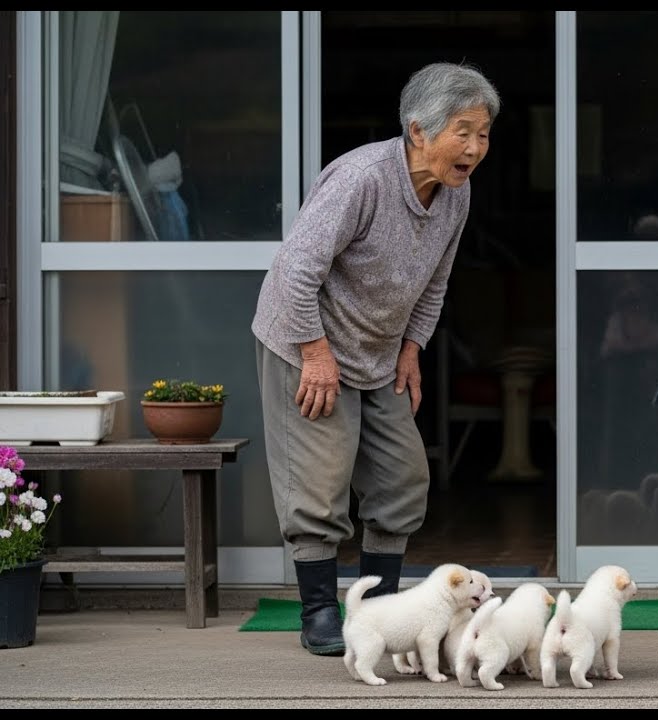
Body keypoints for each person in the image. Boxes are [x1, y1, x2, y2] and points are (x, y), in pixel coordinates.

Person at [251, 62, 499, 656]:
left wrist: (411, 349)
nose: (475, 147)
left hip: (380, 352)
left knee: (403, 476)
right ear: (419, 132)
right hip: (305, 341)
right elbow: (296, 270)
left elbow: (434, 282)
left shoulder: (453, 197)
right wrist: (315, 352)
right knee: (320, 484)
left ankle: (381, 610)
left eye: (484, 133)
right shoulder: (362, 179)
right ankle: (318, 612)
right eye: (462, 131)